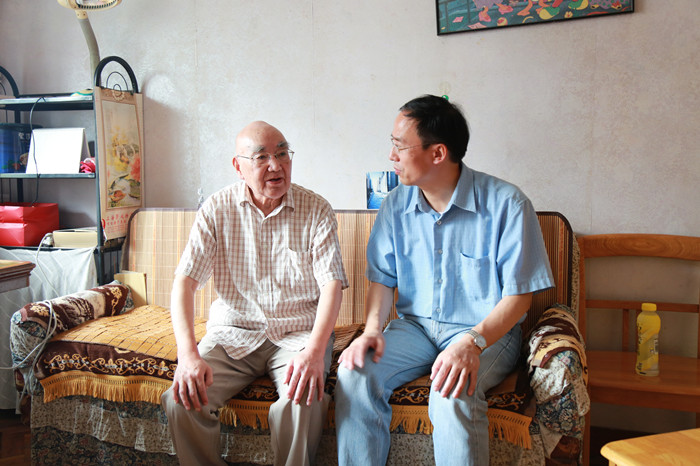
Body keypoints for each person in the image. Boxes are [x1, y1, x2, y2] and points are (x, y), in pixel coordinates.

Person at [334, 95, 554, 465]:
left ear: (438, 153)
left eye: (400, 146)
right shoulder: (394, 205)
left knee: (452, 391)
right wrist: (372, 330)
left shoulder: (508, 205)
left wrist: (472, 342)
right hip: (415, 330)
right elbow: (383, 280)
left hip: (485, 333)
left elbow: (520, 297)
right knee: (354, 374)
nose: (391, 156)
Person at [161, 120, 348, 466]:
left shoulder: (316, 209)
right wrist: (187, 355)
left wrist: (315, 352)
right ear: (239, 166)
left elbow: (331, 285)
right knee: (180, 398)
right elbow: (184, 283)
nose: (276, 166)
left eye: (283, 154)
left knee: (303, 399)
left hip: (297, 335)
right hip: (234, 333)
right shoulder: (216, 209)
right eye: (262, 157)